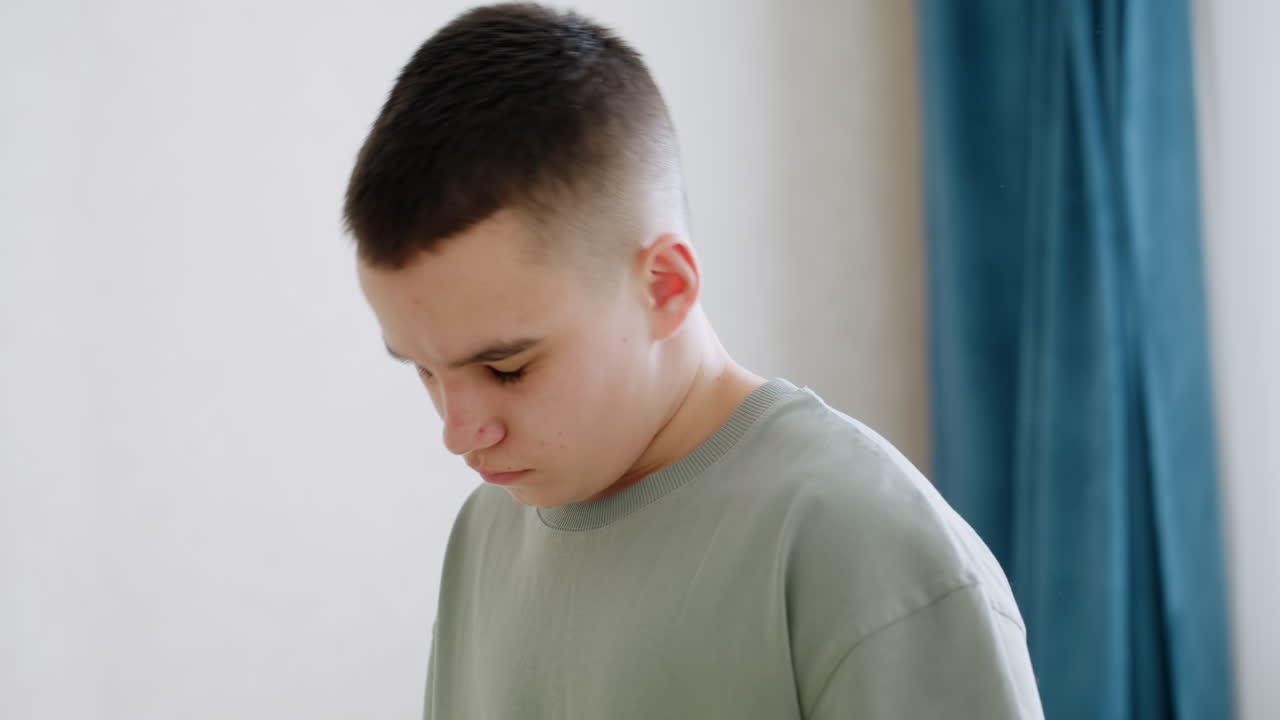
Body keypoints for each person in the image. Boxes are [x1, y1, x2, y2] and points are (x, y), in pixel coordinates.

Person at [345, 3, 1044, 718]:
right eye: (425, 371)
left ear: (665, 287)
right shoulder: (487, 532)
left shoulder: (868, 549)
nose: (459, 433)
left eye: (508, 369)